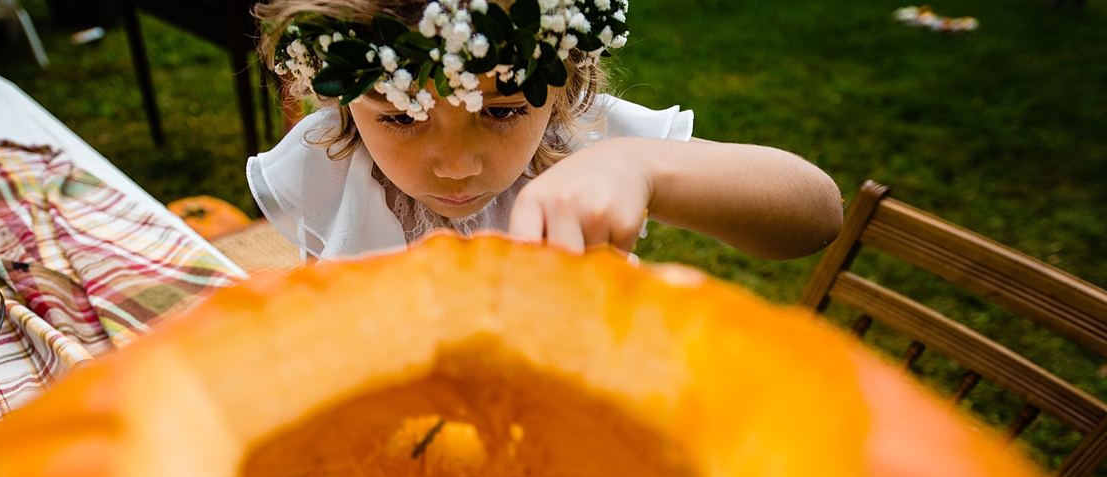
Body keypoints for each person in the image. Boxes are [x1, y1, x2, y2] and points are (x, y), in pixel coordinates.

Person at [248, 0, 843, 261]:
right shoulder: (327, 161)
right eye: (402, 117)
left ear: (561, 83)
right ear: (342, 98)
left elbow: (815, 215)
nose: (456, 165)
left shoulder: (584, 141)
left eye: (503, 110)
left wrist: (643, 169)